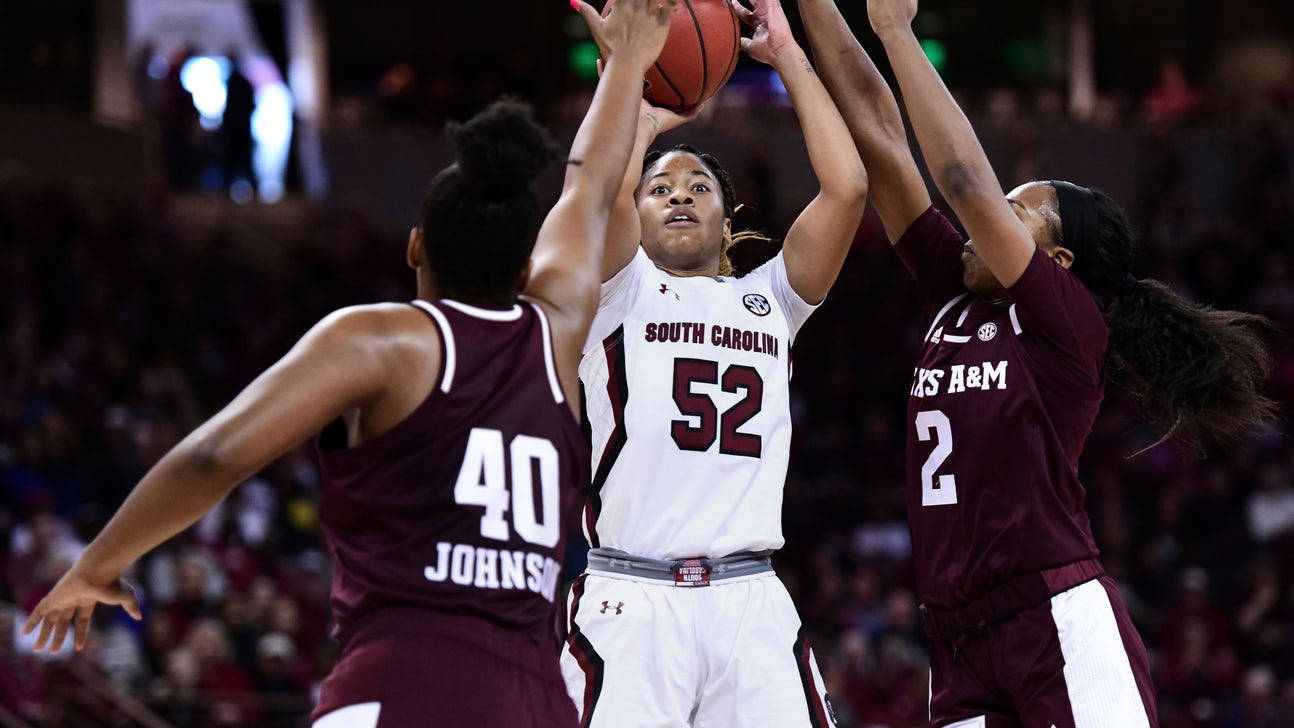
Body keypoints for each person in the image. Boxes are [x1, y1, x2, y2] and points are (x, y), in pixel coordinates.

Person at [20, 1, 678, 726]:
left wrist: (97, 565)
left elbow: (213, 459)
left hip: (403, 682)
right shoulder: (557, 335)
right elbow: (586, 191)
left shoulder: (386, 342)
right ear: (527, 267)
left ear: (416, 248)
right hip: (533, 700)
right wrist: (628, 65)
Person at [797, 0, 1276, 726]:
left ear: (1055, 261)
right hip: (956, 638)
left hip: (1053, 617)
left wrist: (896, 30)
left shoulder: (1064, 321)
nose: (979, 218)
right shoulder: (951, 292)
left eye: (1014, 212)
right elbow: (879, 133)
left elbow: (961, 176)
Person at [559, 0, 868, 724]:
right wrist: (631, 102)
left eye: (698, 187)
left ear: (728, 221)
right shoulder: (618, 288)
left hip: (748, 597)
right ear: (637, 213)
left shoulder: (771, 302)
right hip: (630, 598)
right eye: (659, 188)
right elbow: (594, 197)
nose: (678, 196)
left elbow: (848, 188)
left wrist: (788, 54)